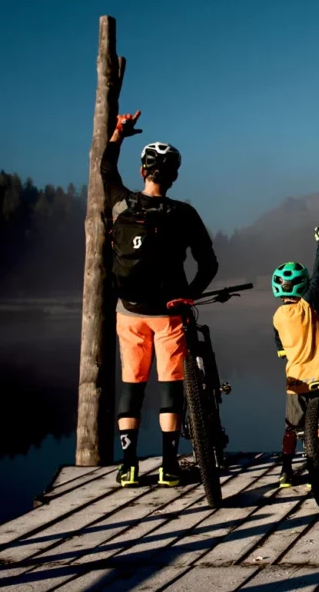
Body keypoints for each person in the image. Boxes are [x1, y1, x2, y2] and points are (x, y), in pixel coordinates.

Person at [102, 111, 219, 488]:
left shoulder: (121, 204)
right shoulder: (184, 214)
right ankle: (169, 464)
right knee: (170, 384)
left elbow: (106, 170)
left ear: (142, 173)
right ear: (174, 177)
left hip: (129, 312)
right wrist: (190, 296)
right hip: (170, 313)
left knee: (131, 384)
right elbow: (209, 263)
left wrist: (119, 132)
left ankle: (128, 465)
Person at [272, 225, 319, 488]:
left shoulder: (277, 316)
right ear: (303, 286)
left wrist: (285, 351)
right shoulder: (308, 305)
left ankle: (286, 471)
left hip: (295, 380)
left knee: (290, 427)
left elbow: (280, 346)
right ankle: (318, 462)